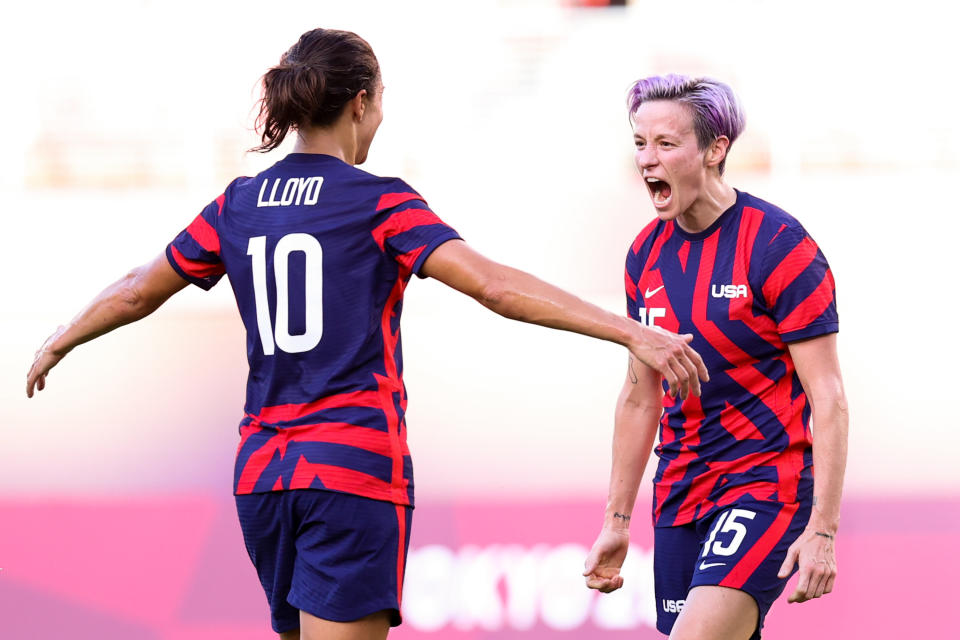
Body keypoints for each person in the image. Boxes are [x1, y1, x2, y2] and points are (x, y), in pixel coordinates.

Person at [25, 30, 708, 640]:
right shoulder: (378, 201)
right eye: (379, 102)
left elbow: (139, 287)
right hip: (350, 471)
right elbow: (494, 287)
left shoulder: (237, 204)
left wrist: (63, 338)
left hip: (263, 479)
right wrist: (630, 332)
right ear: (360, 105)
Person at [582, 75, 848, 640]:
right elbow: (639, 394)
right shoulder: (644, 256)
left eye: (666, 144)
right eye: (639, 144)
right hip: (680, 490)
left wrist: (823, 528)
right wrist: (617, 520)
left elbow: (829, 398)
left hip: (765, 482)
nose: (647, 160)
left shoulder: (778, 245)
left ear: (715, 149)